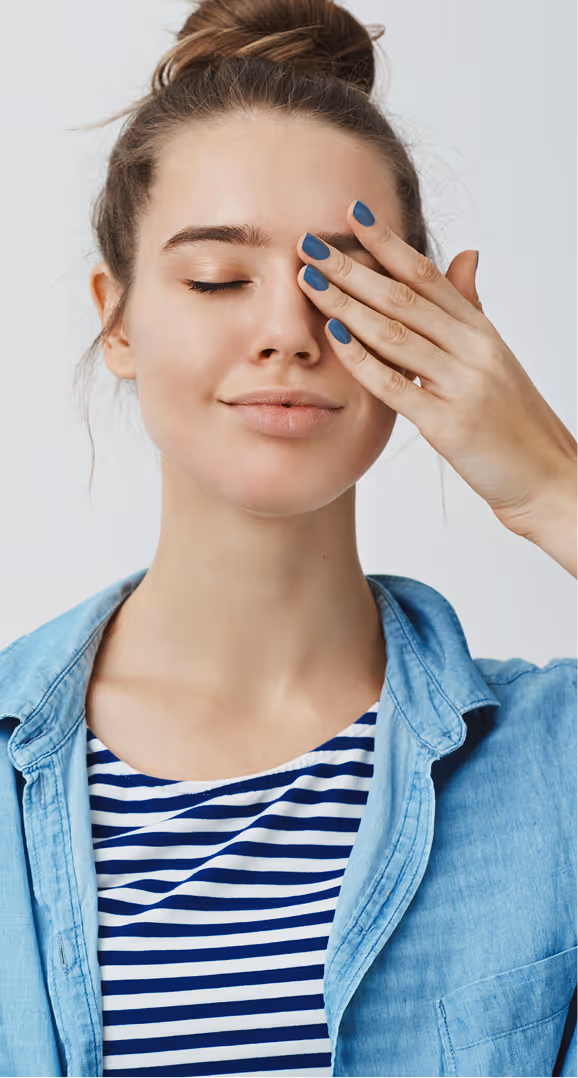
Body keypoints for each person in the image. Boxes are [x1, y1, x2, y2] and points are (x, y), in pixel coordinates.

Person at [0, 0, 576, 1075]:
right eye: (217, 278)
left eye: (341, 282)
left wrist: (549, 484)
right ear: (116, 321)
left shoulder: (554, 761)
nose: (283, 332)